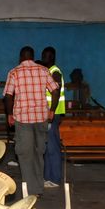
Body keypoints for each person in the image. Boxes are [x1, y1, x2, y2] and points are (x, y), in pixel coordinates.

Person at [4, 46, 60, 196]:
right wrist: (52, 110)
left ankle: (31, 189)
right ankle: (38, 188)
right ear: (32, 56)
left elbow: (8, 96)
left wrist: (9, 114)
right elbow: (55, 91)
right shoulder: (43, 70)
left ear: (21, 57)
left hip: (23, 120)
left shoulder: (14, 72)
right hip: (41, 118)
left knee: (25, 154)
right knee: (38, 153)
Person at [41, 46, 65, 188]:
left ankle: (55, 178)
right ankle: (47, 177)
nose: (44, 57)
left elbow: (55, 90)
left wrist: (51, 110)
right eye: (43, 55)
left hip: (53, 114)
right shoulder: (48, 71)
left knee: (53, 147)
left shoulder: (55, 72)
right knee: (48, 146)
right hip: (49, 114)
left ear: (52, 57)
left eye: (46, 55)